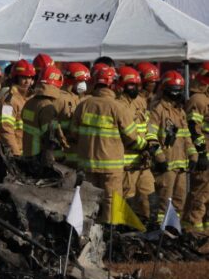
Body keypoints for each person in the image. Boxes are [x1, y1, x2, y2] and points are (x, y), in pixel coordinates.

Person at [69, 65, 146, 222]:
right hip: (112, 166)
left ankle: (86, 233)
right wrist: (145, 146)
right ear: (113, 85)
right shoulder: (118, 107)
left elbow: (73, 133)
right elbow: (131, 136)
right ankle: (110, 234)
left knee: (88, 200)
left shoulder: (83, 104)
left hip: (88, 164)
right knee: (112, 201)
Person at [148, 70, 198, 222]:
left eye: (179, 91)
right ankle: (161, 233)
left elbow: (186, 136)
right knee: (164, 203)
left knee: (179, 202)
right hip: (166, 167)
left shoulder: (179, 111)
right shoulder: (158, 110)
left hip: (181, 166)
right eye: (174, 91)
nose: (178, 94)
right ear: (165, 90)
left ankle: (173, 233)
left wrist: (193, 155)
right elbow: (150, 136)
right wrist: (160, 158)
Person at [116, 66, 157, 224]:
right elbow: (125, 134)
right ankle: (129, 231)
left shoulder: (141, 101)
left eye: (136, 85)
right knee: (129, 198)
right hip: (128, 163)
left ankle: (151, 227)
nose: (135, 88)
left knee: (150, 197)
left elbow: (148, 126)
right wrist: (144, 146)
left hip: (143, 162)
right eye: (131, 85)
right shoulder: (118, 105)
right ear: (121, 85)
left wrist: (152, 143)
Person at [22, 65, 71, 161]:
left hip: (28, 155)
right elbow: (51, 138)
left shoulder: (29, 102)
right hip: (41, 159)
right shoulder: (47, 108)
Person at [184, 62, 209, 231]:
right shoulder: (198, 99)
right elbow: (193, 128)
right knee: (199, 197)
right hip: (205, 156)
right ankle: (193, 233)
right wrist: (201, 153)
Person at [0, 59, 35, 157]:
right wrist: (16, 155)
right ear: (16, 78)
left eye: (30, 77)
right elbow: (6, 129)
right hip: (18, 154)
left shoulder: (32, 98)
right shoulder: (8, 101)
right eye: (24, 77)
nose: (27, 81)